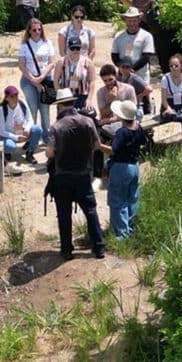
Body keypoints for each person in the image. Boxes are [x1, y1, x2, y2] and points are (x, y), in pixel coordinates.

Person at [46, 99, 103, 259]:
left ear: (59, 106)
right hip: (83, 174)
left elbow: (50, 153)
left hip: (63, 175)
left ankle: (66, 250)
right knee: (90, 211)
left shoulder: (56, 127)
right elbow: (97, 144)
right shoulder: (88, 121)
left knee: (64, 214)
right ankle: (99, 247)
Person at [98, 100, 148, 241]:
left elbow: (113, 150)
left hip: (121, 167)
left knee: (117, 200)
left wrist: (99, 145)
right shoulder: (138, 128)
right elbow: (143, 142)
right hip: (134, 166)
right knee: (132, 198)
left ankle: (121, 234)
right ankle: (132, 228)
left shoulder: (122, 132)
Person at [16, 17, 56, 135]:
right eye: (34, 30)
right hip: (29, 80)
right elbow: (22, 65)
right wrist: (34, 80)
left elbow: (52, 62)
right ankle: (32, 136)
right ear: (29, 31)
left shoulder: (47, 43)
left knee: (44, 109)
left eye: (39, 29)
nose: (37, 32)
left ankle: (46, 136)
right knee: (32, 109)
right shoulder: (24, 45)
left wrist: (41, 77)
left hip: (45, 79)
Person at [0, 85, 44, 174]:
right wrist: (16, 137)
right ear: (6, 98)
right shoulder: (2, 110)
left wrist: (27, 128)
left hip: (23, 133)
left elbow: (30, 119)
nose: (15, 98)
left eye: (16, 95)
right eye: (12, 96)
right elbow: (1, 131)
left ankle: (30, 153)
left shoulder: (22, 103)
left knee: (37, 129)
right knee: (11, 146)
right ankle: (7, 153)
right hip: (9, 136)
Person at [111, 7, 158, 94]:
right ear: (125, 20)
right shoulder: (118, 36)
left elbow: (146, 56)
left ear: (139, 20)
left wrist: (132, 69)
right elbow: (114, 55)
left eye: (134, 20)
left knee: (143, 100)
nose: (132, 23)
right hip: (122, 75)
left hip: (141, 75)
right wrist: (122, 68)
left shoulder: (146, 36)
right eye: (129, 20)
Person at [93, 63, 137, 129]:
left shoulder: (129, 89)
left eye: (110, 79)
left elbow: (132, 112)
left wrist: (113, 119)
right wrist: (111, 100)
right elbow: (103, 114)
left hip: (126, 124)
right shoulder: (101, 92)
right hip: (108, 125)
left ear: (116, 75)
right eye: (105, 81)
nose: (108, 83)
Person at [56, 39, 96, 105]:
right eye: (72, 48)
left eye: (77, 48)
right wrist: (59, 95)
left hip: (82, 96)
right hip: (65, 97)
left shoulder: (88, 62)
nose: (75, 50)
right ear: (68, 48)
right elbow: (56, 80)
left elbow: (92, 81)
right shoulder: (61, 62)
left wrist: (89, 99)